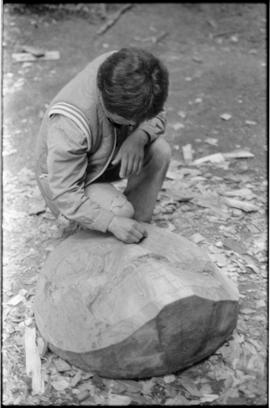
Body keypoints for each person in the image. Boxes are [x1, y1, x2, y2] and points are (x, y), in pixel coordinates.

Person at [35, 47, 171, 244]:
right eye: (131, 120)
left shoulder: (134, 70)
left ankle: (137, 224)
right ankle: (99, 227)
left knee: (159, 151)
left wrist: (139, 136)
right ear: (109, 107)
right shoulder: (70, 124)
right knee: (120, 212)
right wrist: (112, 222)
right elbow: (65, 193)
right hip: (70, 182)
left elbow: (156, 112)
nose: (135, 123)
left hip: (106, 153)